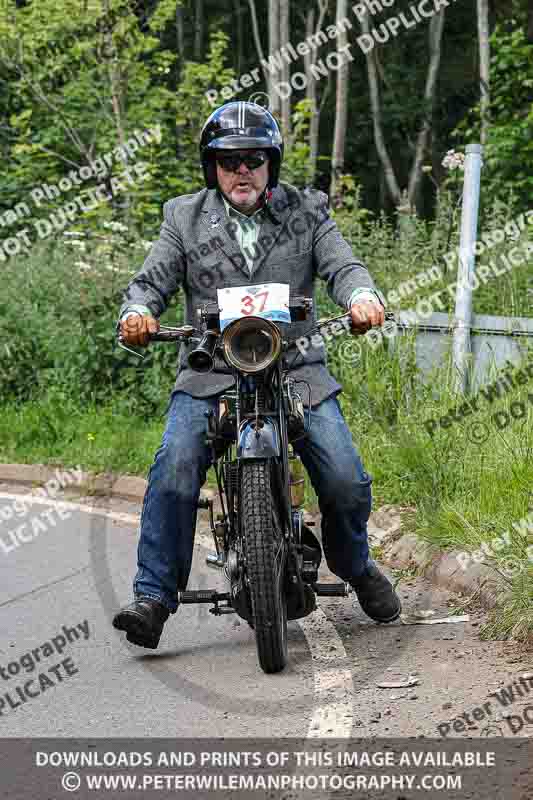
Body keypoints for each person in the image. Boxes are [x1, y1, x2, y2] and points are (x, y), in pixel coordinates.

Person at [112, 101, 401, 650]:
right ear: (212, 167)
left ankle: (356, 565)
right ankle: (152, 598)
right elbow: (149, 282)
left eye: (253, 159)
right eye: (228, 161)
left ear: (271, 163)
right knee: (173, 469)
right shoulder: (183, 217)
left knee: (344, 476)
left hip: (296, 368)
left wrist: (363, 296)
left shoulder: (308, 210)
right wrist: (136, 314)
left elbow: (343, 265)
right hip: (213, 372)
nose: (240, 170)